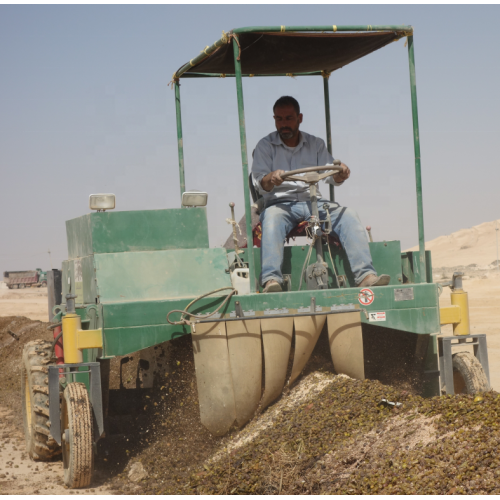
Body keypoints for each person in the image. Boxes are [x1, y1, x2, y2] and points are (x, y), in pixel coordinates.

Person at [251, 96, 390, 293]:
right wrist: (270, 178)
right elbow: (259, 181)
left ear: (300, 118)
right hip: (280, 204)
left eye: (289, 118)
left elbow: (332, 174)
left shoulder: (315, 144)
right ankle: (272, 280)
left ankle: (365, 276)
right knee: (271, 219)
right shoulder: (265, 146)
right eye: (279, 119)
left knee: (348, 215)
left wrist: (341, 172)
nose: (284, 124)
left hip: (314, 200)